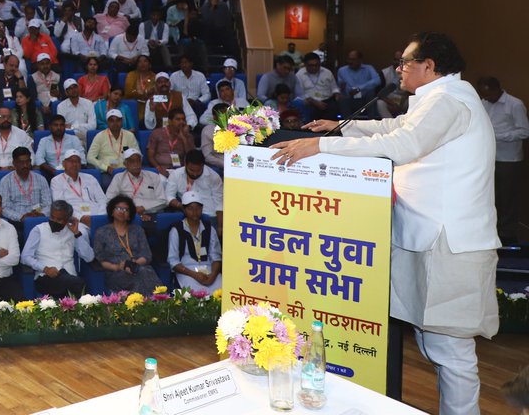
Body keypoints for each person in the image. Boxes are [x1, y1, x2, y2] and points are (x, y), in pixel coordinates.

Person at [272, 33, 499, 415]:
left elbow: (402, 146)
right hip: (431, 238)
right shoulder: (436, 98)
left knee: (451, 350)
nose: (399, 69)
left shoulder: (449, 100)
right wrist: (341, 127)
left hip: (450, 244)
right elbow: (396, 128)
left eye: (405, 62)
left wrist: (321, 146)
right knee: (434, 344)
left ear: (429, 66)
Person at [476, 76, 529, 246]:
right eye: (483, 94)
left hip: (509, 159)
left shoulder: (515, 104)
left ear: (497, 89)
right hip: (488, 157)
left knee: (508, 197)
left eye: (488, 94)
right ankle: (493, 230)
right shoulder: (483, 103)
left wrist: (497, 136)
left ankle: (507, 233)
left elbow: (524, 131)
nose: (486, 97)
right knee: (492, 195)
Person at [22, 199, 93, 298]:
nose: (54, 221)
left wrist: (77, 233)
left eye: (59, 219)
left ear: (67, 219)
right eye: (52, 217)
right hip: (46, 277)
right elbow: (25, 257)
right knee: (78, 285)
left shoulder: (72, 231)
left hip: (70, 276)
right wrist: (45, 268)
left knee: (73, 285)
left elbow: (89, 257)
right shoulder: (38, 230)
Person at [93, 194, 162, 295]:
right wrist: (117, 267)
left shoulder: (138, 230)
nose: (122, 211)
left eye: (126, 210)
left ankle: (149, 301)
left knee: (143, 272)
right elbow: (100, 259)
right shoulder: (102, 232)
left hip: (138, 267)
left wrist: (133, 264)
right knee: (143, 274)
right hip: (115, 273)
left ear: (130, 215)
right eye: (119, 208)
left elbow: (147, 255)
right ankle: (158, 299)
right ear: (112, 211)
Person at [167, 190, 221, 295]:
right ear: (184, 209)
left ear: (202, 209)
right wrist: (194, 275)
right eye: (190, 208)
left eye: (198, 208)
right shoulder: (176, 230)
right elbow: (173, 261)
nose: (194, 212)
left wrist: (213, 275)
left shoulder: (209, 228)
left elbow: (216, 257)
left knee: (222, 290)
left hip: (209, 271)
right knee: (195, 294)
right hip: (187, 271)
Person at [107, 147, 169, 225]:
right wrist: (131, 211)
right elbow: (109, 199)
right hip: (126, 215)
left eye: (138, 161)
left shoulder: (154, 176)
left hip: (152, 213)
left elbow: (163, 201)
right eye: (132, 161)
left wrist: (144, 208)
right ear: (125, 164)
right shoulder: (118, 178)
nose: (136, 164)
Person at [48, 148, 105, 232]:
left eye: (77, 161)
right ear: (64, 163)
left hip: (97, 217)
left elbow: (103, 200)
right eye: (71, 161)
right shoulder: (57, 181)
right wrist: (81, 218)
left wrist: (99, 218)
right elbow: (61, 206)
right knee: (81, 233)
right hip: (75, 220)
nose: (74, 164)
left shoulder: (90, 178)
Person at [0, 146, 51, 226]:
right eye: (21, 162)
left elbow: (48, 204)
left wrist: (42, 214)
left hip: (39, 219)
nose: (25, 165)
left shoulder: (41, 179)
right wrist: (21, 217)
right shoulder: (5, 181)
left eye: (27, 162)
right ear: (14, 163)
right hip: (17, 221)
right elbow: (4, 208)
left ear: (31, 161)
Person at [86, 109, 137, 184]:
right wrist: (106, 168)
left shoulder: (130, 136)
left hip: (126, 170)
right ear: (107, 122)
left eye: (118, 120)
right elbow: (90, 157)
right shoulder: (100, 136)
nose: (115, 123)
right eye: (111, 120)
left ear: (122, 121)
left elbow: (137, 155)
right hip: (107, 172)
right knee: (107, 183)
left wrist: (130, 165)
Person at [146, 107, 195, 177]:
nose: (181, 122)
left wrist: (184, 139)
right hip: (161, 169)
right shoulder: (157, 133)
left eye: (183, 119)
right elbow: (150, 156)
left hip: (180, 171)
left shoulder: (188, 136)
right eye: (178, 119)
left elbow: (192, 157)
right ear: (169, 121)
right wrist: (159, 169)